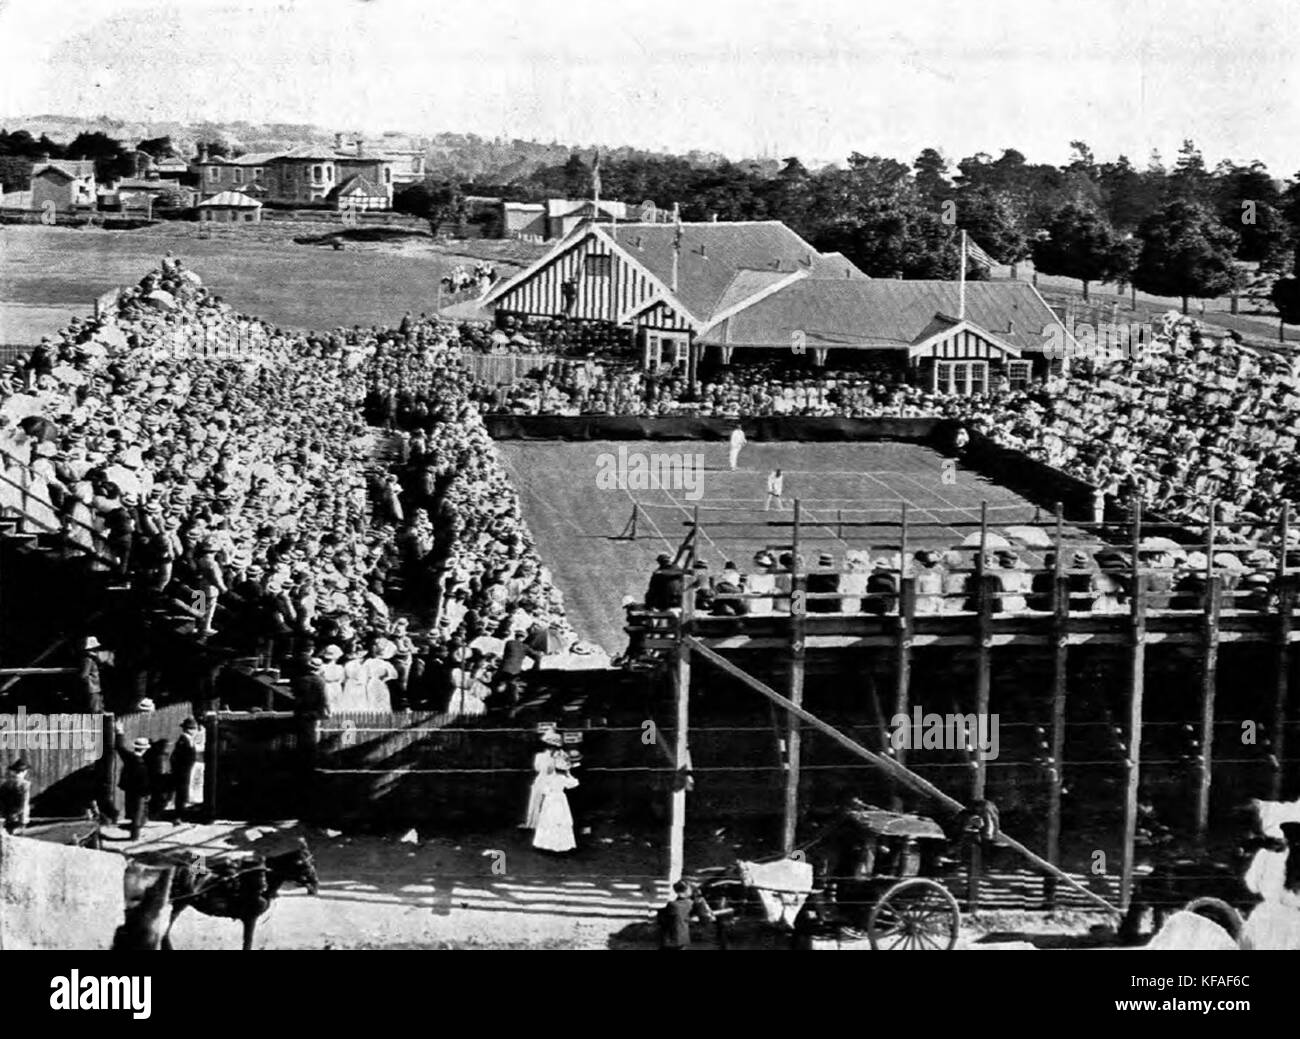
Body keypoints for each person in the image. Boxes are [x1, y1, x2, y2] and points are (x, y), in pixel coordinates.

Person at [532, 736, 579, 854]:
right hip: (559, 799)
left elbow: (543, 789)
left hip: (551, 799)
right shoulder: (562, 778)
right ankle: (560, 845)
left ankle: (547, 843)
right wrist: (568, 774)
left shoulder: (550, 778)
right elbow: (573, 784)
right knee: (559, 820)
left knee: (549, 820)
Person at [113, 722, 151, 841]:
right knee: (138, 813)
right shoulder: (142, 763)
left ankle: (134, 831)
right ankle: (134, 836)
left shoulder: (129, 757)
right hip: (140, 791)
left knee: (134, 811)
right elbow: (145, 781)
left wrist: (119, 732)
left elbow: (119, 746)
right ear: (144, 749)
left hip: (129, 788)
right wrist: (147, 793)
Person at [657, 879, 715, 950]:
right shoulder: (691, 903)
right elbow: (705, 919)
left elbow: (661, 919)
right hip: (680, 938)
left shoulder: (674, 905)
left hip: (670, 939)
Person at [171, 717, 200, 818]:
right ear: (189, 729)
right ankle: (179, 814)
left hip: (186, 769)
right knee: (181, 791)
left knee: (184, 791)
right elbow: (178, 757)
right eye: (194, 729)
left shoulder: (188, 739)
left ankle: (181, 812)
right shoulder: (183, 740)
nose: (196, 731)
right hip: (182, 770)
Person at [0, 759, 32, 834]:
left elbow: (1, 802)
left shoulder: (5, 784)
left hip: (7, 816)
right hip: (19, 817)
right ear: (24, 772)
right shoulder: (25, 785)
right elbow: (24, 802)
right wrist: (23, 818)